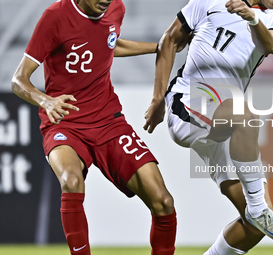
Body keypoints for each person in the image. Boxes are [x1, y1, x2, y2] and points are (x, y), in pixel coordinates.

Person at [11, 0, 178, 254]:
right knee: (71, 179)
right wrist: (45, 100)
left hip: (108, 122)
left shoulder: (116, 9)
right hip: (66, 123)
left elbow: (108, 44)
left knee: (164, 201)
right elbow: (18, 79)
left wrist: (157, 48)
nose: (106, 0)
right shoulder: (55, 16)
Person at [144, 0, 273, 254]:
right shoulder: (208, 2)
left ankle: (257, 213)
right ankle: (258, 210)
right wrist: (158, 98)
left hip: (225, 121)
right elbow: (170, 40)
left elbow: (270, 45)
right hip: (189, 99)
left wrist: (252, 19)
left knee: (255, 227)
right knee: (246, 115)